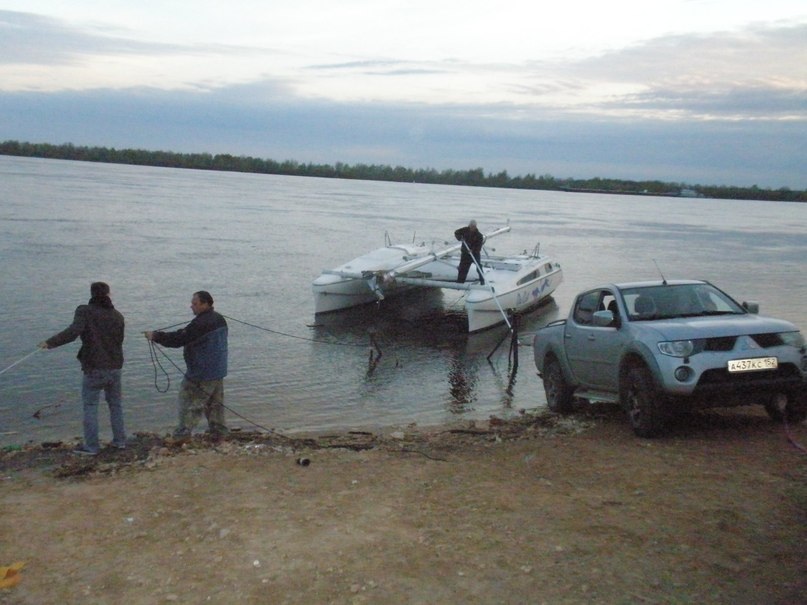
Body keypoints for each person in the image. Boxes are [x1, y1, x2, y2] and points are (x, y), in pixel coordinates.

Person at [39, 281, 126, 456]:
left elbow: (73, 332)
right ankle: (120, 441)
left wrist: (49, 343)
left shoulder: (84, 310)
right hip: (115, 367)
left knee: (90, 406)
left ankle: (92, 447)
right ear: (108, 294)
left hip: (95, 368)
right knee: (115, 405)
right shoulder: (118, 315)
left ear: (92, 294)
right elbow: (118, 341)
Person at [144, 291, 229, 440]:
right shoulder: (219, 318)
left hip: (202, 372)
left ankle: (182, 434)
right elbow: (186, 335)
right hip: (218, 369)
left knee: (190, 401)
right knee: (214, 403)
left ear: (205, 304)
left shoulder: (201, 323)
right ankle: (219, 432)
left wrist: (156, 336)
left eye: (195, 304)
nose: (191, 306)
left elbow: (179, 339)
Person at [454, 219, 485, 284]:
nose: (472, 228)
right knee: (462, 269)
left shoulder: (479, 235)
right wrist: (460, 237)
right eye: (471, 226)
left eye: (473, 226)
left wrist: (472, 250)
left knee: (478, 267)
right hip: (465, 254)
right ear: (469, 225)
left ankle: (482, 281)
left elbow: (479, 246)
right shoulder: (465, 230)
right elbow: (456, 232)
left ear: (476, 226)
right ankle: (460, 283)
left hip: (474, 254)